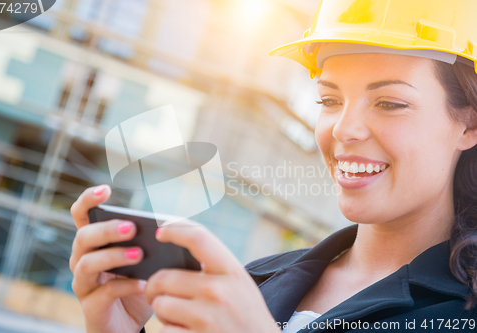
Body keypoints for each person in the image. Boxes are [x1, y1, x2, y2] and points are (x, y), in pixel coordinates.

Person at [68, 0, 477, 332]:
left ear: (469, 123)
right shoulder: (251, 283)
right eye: (330, 101)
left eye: (390, 103)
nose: (344, 129)